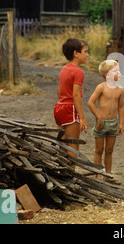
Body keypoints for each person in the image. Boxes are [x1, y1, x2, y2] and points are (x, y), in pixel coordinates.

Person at [87, 60, 124, 185]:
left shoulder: (120, 90)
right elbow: (90, 103)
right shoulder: (101, 87)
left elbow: (121, 107)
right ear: (106, 75)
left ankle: (108, 174)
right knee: (99, 149)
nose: (118, 73)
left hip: (113, 123)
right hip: (101, 123)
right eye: (115, 71)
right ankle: (98, 173)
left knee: (109, 150)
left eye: (119, 70)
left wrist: (121, 123)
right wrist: (98, 117)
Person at [53, 38, 89, 167]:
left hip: (59, 108)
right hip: (70, 109)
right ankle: (71, 177)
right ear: (76, 53)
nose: (87, 54)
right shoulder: (78, 71)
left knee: (62, 144)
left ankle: (61, 172)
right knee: (73, 145)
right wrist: (83, 118)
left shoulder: (64, 68)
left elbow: (59, 91)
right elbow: (76, 95)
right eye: (85, 51)